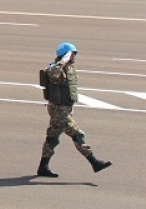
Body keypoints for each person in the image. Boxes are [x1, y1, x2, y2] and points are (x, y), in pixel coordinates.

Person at [37, 42, 112, 177]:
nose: (74, 56)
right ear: (64, 55)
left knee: (52, 138)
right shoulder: (55, 68)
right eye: (72, 53)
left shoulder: (69, 68)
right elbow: (53, 74)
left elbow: (69, 90)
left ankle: (43, 167)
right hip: (58, 110)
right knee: (77, 135)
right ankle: (94, 163)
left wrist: (70, 108)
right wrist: (63, 60)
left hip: (64, 109)